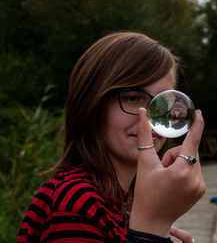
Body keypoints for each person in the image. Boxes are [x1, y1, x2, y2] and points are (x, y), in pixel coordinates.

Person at [17, 32, 205, 243]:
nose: (150, 118)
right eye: (133, 98)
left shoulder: (122, 206)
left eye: (164, 102)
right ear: (93, 106)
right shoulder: (76, 202)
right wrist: (150, 232)